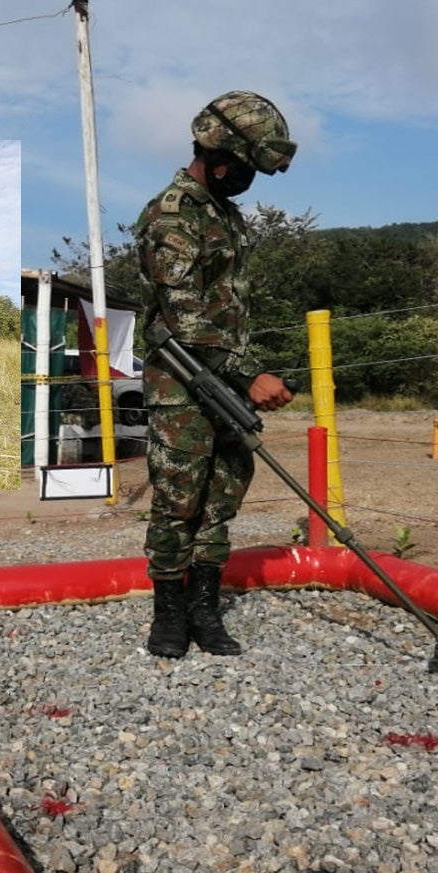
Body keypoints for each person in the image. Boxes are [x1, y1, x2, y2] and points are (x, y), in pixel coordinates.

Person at [135, 90, 297, 659]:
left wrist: (248, 371)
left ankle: (205, 606)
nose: (250, 180)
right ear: (219, 155)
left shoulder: (223, 213)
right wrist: (250, 374)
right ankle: (169, 614)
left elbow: (228, 311)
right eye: (248, 168)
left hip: (224, 380)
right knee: (179, 497)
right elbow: (185, 316)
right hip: (181, 382)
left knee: (224, 490)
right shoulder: (173, 215)